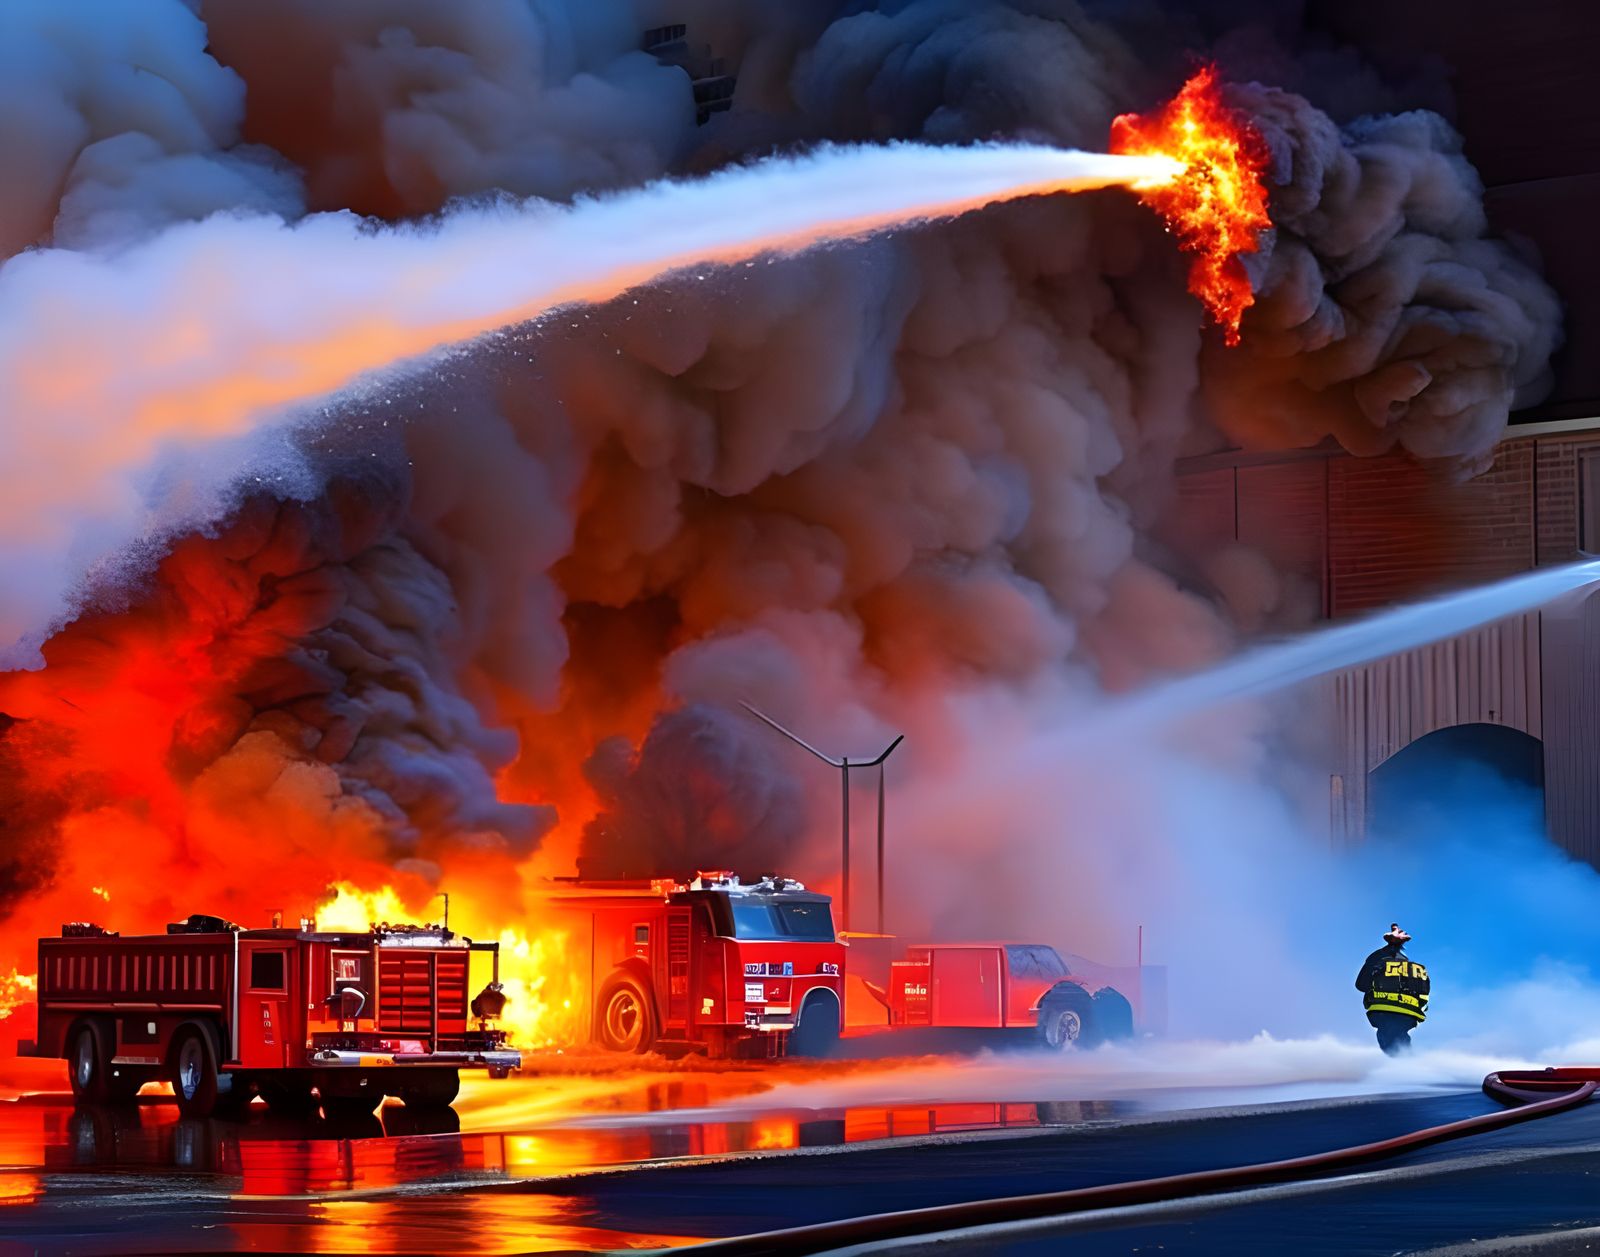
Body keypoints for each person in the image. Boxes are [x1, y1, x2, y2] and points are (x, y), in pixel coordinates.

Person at [1355, 923, 1429, 1055]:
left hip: (1385, 1014)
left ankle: (1403, 1066)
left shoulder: (1382, 963)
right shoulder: (1409, 968)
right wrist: (1393, 946)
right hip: (1408, 1016)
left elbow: (1361, 985)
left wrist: (1389, 947)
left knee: (1394, 1049)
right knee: (1400, 1045)